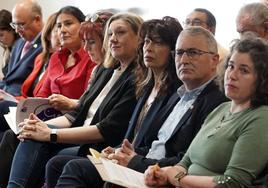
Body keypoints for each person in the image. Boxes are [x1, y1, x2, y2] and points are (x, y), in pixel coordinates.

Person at [48, 26, 227, 188]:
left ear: (214, 60)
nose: (184, 59)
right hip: (143, 163)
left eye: (193, 52)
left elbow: (188, 161)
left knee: (75, 168)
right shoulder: (178, 96)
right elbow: (155, 143)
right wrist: (125, 152)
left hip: (160, 176)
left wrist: (135, 161)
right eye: (179, 53)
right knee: (58, 163)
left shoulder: (216, 103)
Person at [7, 12, 143, 188]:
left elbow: (107, 130)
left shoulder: (136, 78)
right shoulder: (106, 70)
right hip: (79, 132)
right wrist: (39, 125)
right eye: (110, 34)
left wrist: (50, 133)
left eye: (120, 33)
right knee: (28, 134)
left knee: (39, 143)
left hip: (98, 144)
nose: (113, 39)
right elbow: (75, 114)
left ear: (139, 37)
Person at [144, 37, 268, 188]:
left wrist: (177, 178)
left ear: (262, 79)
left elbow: (233, 182)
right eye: (230, 66)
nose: (232, 75)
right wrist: (163, 175)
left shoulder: (261, 118)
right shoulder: (221, 108)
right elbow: (186, 162)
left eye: (244, 70)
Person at [0, 12, 60, 188]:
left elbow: (72, 103)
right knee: (10, 134)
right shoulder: (45, 56)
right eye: (53, 30)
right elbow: (31, 90)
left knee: (8, 118)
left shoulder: (69, 59)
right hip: (32, 106)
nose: (57, 34)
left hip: (49, 113)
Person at [0, 0, 43, 96]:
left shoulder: (46, 46)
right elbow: (9, 80)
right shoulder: (18, 43)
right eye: (14, 25)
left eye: (21, 25)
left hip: (21, 101)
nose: (16, 30)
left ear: (37, 20)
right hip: (6, 95)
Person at [184, 8, 228, 73]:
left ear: (210, 30)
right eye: (187, 22)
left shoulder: (222, 56)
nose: (190, 27)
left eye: (196, 23)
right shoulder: (182, 51)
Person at [0, 9, 20, 80]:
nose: (0, 40)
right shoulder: (7, 51)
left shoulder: (22, 49)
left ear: (12, 30)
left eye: (1, 35)